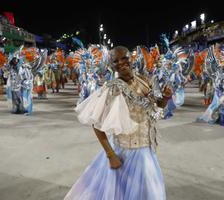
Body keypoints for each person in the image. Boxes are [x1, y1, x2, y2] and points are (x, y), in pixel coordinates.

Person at [64, 46, 172, 200]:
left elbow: (157, 107)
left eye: (124, 58)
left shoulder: (144, 80)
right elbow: (96, 125)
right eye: (116, 61)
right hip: (125, 154)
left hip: (147, 151)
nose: (121, 63)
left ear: (131, 58)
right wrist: (110, 155)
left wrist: (166, 98)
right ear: (111, 65)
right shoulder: (112, 89)